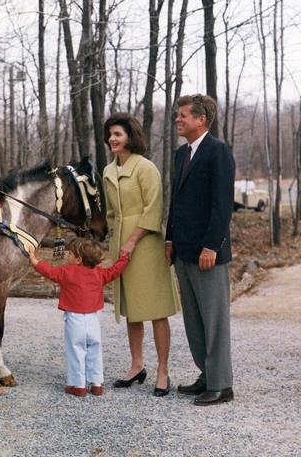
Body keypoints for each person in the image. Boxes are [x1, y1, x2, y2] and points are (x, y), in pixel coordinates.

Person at [103, 113, 180, 397]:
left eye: (118, 134)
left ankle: (162, 370)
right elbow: (111, 214)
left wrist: (133, 240)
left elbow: (154, 209)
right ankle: (137, 365)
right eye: (110, 134)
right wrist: (116, 239)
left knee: (156, 309)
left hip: (146, 244)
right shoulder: (108, 171)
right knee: (132, 309)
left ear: (130, 137)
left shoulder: (146, 168)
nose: (113, 138)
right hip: (121, 243)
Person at [165, 94, 236, 406]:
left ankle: (222, 385)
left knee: (214, 319)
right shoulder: (182, 154)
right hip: (183, 250)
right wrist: (169, 240)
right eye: (178, 115)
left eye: (183, 115)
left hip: (208, 254)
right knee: (194, 320)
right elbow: (176, 202)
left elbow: (222, 206)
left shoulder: (217, 151)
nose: (178, 120)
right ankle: (206, 376)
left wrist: (212, 246)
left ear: (200, 119)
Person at [28, 238, 129, 396]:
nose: (68, 256)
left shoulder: (66, 272)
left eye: (70, 254)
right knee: (94, 349)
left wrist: (34, 260)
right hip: (93, 319)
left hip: (74, 319)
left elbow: (49, 271)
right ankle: (96, 383)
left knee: (76, 350)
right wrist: (124, 258)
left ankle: (77, 385)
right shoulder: (99, 273)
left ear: (78, 259)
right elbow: (114, 271)